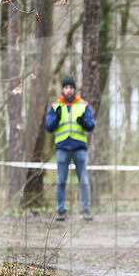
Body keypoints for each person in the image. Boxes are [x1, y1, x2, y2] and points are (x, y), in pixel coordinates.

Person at [45, 75, 95, 221]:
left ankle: (86, 210)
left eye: (71, 87)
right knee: (61, 180)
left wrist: (83, 121)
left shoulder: (84, 105)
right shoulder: (55, 107)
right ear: (63, 89)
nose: (68, 90)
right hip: (62, 148)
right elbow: (49, 127)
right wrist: (56, 117)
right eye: (66, 87)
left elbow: (91, 125)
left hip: (79, 147)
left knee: (83, 180)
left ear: (74, 89)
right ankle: (61, 211)